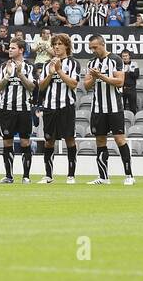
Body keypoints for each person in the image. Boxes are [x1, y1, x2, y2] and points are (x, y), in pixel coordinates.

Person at [83, 34, 135, 185]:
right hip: (97, 108)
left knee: (120, 139)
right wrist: (94, 77)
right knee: (100, 141)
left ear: (102, 44)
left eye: (95, 47)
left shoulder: (115, 60)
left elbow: (120, 82)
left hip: (114, 107)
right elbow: (86, 86)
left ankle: (129, 175)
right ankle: (103, 177)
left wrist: (100, 76)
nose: (93, 50)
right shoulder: (91, 62)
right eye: (91, 48)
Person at [37, 33, 80, 184]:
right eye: (54, 44)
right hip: (50, 107)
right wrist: (50, 74)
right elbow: (41, 87)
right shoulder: (46, 64)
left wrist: (60, 71)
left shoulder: (73, 63)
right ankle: (48, 176)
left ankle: (71, 175)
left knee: (70, 139)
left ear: (67, 46)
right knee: (49, 141)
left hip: (66, 106)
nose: (56, 47)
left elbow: (74, 84)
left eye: (60, 44)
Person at [0, 39, 37, 184]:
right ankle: (9, 176)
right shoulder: (4, 66)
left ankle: (26, 176)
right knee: (7, 142)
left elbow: (32, 87)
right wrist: (7, 76)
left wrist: (20, 74)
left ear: (21, 50)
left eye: (13, 48)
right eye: (9, 48)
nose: (10, 50)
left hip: (24, 109)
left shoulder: (30, 67)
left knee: (25, 142)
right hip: (7, 110)